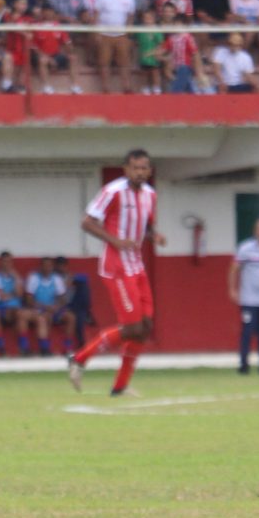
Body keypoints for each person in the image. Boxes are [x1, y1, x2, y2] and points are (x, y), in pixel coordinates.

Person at [68, 150, 166, 396]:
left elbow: (148, 225)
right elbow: (87, 222)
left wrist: (155, 235)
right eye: (135, 168)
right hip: (116, 267)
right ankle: (79, 358)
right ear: (125, 169)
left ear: (150, 170)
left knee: (145, 327)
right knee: (132, 328)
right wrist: (115, 241)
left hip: (137, 266)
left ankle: (121, 385)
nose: (140, 172)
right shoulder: (113, 192)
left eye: (144, 168)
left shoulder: (150, 195)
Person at [229, 219, 259, 374]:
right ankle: (244, 365)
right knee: (248, 332)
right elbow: (233, 269)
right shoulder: (246, 248)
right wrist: (232, 289)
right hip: (249, 299)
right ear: (256, 231)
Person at [26, 256, 77, 356]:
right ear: (41, 266)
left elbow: (62, 298)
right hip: (39, 309)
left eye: (49, 266)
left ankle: (68, 348)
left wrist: (57, 307)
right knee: (43, 318)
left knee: (71, 317)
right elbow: (29, 300)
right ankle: (45, 349)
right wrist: (44, 307)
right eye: (45, 265)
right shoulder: (34, 278)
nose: (47, 268)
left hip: (54, 309)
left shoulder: (56, 279)